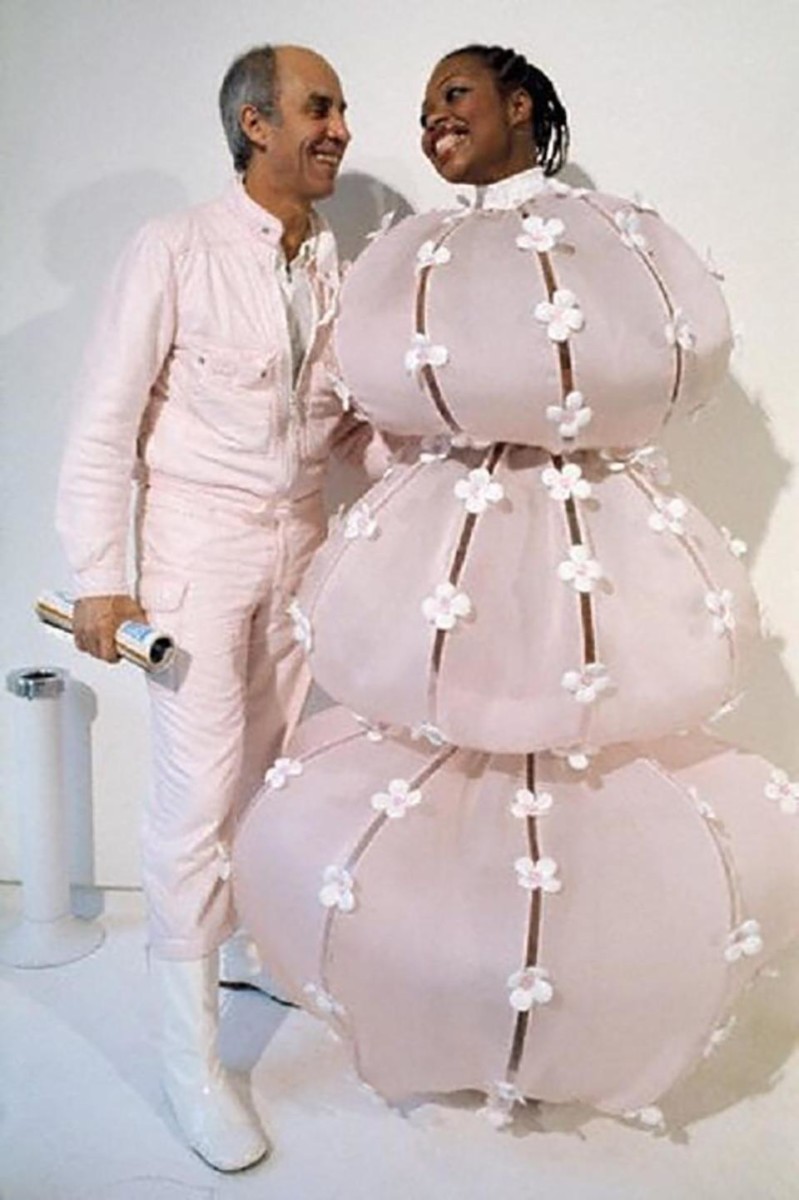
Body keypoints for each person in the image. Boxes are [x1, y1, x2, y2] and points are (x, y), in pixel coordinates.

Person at [232, 44, 799, 1131]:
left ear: (520, 105)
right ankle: (474, 1001)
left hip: (583, 532)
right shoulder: (417, 253)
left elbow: (643, 364)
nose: (433, 121)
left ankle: (560, 1011)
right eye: (424, 107)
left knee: (573, 763)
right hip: (456, 537)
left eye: (455, 96)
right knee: (462, 762)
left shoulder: (606, 239)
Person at [56, 43, 385, 1172]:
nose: (340, 127)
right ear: (255, 124)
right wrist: (101, 575)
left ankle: (241, 947)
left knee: (273, 776)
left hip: (301, 549)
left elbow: (342, 426)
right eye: (318, 108)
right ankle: (190, 1060)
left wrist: (442, 463)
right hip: (196, 555)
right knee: (195, 799)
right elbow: (104, 421)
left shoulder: (333, 263)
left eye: (340, 109)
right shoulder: (175, 248)